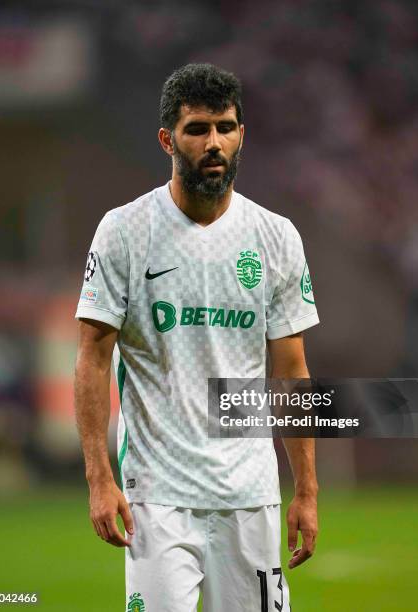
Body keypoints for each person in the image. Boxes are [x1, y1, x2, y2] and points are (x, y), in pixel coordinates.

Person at [75, 63, 319, 612]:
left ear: (241, 135)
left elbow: (291, 370)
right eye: (197, 129)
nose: (214, 142)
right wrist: (98, 477)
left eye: (226, 128)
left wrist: (306, 486)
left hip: (250, 496)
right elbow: (91, 356)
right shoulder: (125, 232)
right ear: (168, 139)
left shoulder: (276, 237)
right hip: (157, 497)